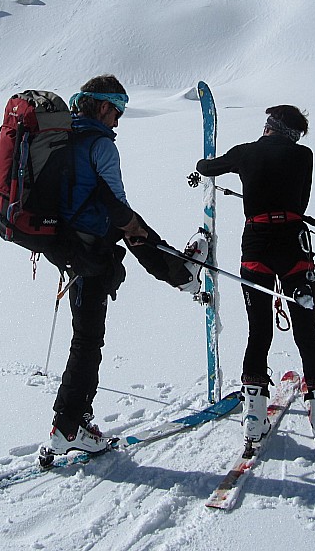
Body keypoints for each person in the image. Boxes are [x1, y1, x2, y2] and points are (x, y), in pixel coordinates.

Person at [44, 74, 205, 458]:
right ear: (102, 106)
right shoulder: (100, 145)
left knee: (86, 338)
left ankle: (75, 420)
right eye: (118, 110)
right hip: (90, 251)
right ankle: (68, 426)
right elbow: (116, 204)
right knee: (87, 341)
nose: (118, 120)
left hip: (67, 246)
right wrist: (136, 230)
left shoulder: (65, 137)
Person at [194, 104, 315, 445]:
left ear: (270, 125)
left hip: (256, 245)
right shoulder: (304, 156)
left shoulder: (246, 153)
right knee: (306, 329)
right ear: (294, 133)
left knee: (259, 329)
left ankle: (254, 416)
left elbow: (206, 168)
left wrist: (224, 163)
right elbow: (300, 197)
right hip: (294, 245)